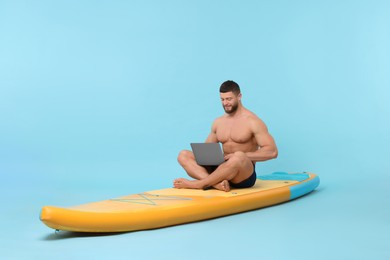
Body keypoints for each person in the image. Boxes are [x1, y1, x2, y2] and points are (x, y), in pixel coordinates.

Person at [173, 80, 278, 192]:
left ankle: (199, 184)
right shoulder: (218, 122)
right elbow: (207, 151)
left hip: (242, 174)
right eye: (222, 99)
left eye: (229, 99)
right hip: (221, 169)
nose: (225, 103)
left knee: (238, 156)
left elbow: (272, 152)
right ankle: (216, 184)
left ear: (239, 96)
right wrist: (210, 156)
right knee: (183, 155)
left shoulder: (253, 121)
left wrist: (240, 155)